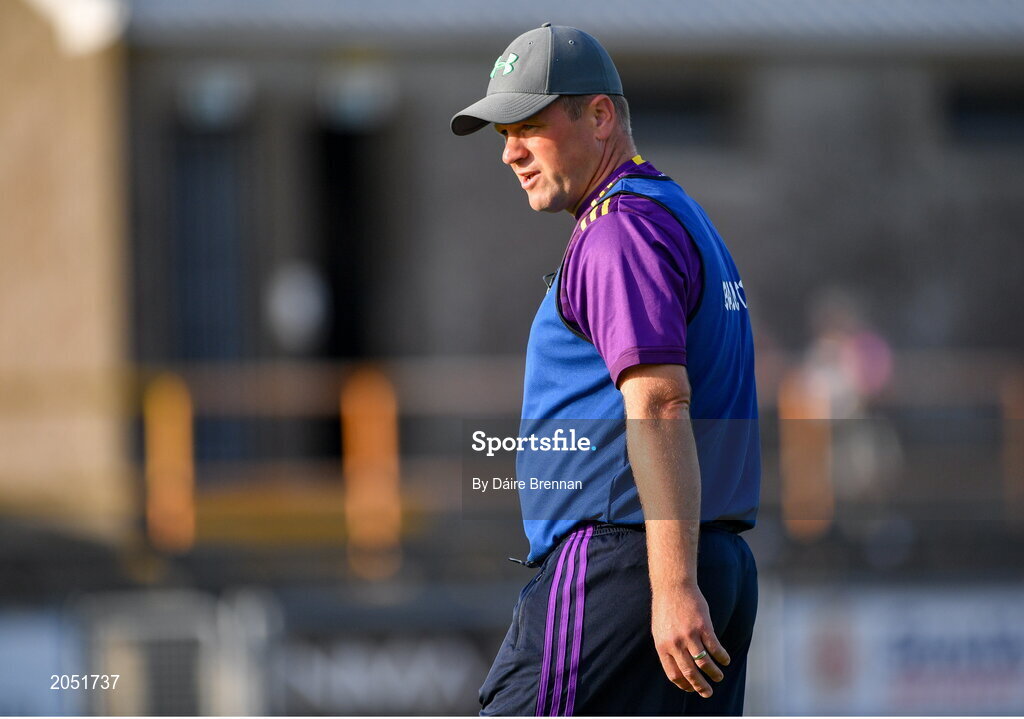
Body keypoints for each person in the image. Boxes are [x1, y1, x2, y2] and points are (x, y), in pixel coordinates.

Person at [452, 24, 760, 716]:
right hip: (701, 558)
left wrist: (672, 585)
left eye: (527, 124)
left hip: (627, 565)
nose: (509, 152)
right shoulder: (675, 213)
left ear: (598, 116)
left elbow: (658, 404)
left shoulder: (619, 228)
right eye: (503, 132)